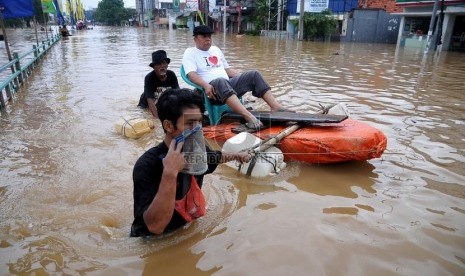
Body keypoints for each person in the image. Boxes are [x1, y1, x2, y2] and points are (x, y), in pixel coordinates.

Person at [131, 88, 250, 237]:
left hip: (186, 230)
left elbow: (215, 157)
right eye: (190, 123)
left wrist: (238, 156)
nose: (197, 129)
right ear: (168, 126)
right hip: (153, 242)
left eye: (199, 121)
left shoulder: (197, 150)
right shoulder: (147, 165)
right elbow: (155, 227)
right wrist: (170, 174)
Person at [182, 25, 290, 131]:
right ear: (195, 38)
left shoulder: (215, 49)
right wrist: (205, 86)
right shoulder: (190, 52)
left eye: (209, 36)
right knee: (221, 81)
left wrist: (242, 77)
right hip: (211, 92)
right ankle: (248, 116)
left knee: (254, 74)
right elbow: (191, 75)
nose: (208, 39)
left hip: (226, 86)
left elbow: (227, 70)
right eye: (204, 36)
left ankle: (275, 106)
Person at [138, 50, 179, 118]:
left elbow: (178, 95)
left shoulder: (171, 75)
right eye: (158, 64)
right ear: (154, 67)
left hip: (160, 102)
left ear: (167, 65)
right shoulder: (149, 78)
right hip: (146, 105)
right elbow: (150, 101)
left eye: (164, 63)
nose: (162, 66)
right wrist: (158, 120)